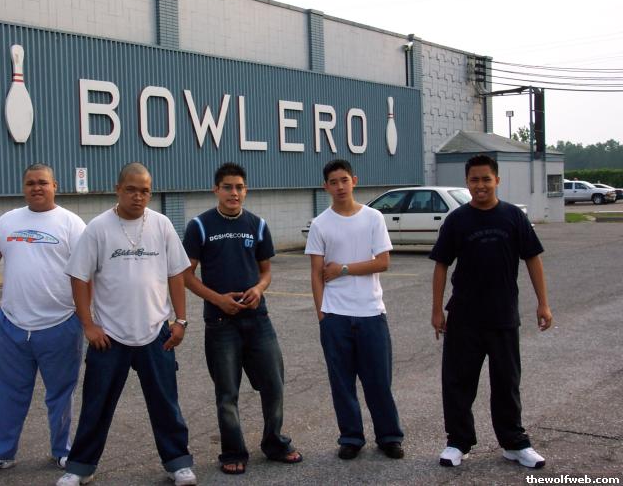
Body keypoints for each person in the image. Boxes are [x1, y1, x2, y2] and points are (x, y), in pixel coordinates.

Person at [57, 163, 196, 486]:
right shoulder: (98, 228)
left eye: (145, 191)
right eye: (131, 190)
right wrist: (88, 325)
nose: (138, 196)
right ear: (117, 189)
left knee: (165, 404)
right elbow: (79, 277)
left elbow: (177, 273)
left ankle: (177, 463)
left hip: (156, 332)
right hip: (109, 336)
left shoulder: (161, 224)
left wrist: (180, 320)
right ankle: (80, 467)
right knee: (96, 405)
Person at [430, 154, 553, 469]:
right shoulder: (457, 220)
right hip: (464, 317)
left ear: (497, 180)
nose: (480, 185)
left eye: (486, 179)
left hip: (503, 315)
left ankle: (514, 443)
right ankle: (458, 442)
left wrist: (543, 303)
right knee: (458, 383)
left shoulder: (513, 217)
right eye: (474, 179)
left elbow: (533, 258)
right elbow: (441, 265)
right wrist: (436, 310)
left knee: (506, 383)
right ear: (467, 182)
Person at [182, 162, 302, 475]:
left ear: (245, 190)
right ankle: (233, 452)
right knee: (227, 394)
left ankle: (274, 442)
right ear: (216, 190)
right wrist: (217, 300)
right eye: (227, 187)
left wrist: (259, 289)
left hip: (258, 320)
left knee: (274, 385)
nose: (233, 193)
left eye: (239, 187)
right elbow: (186, 275)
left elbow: (266, 272)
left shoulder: (257, 225)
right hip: (220, 324)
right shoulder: (199, 226)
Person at [0, 163, 86, 476]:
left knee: (61, 394)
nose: (37, 187)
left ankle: (63, 451)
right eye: (31, 183)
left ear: (55, 186)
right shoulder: (7, 221)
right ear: (24, 187)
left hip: (60, 325)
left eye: (43, 182)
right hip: (11, 327)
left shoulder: (72, 224)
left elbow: (87, 272)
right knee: (3, 393)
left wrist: (82, 316)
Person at [304, 159, 405, 461]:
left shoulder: (373, 218)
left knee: (378, 381)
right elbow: (316, 273)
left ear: (354, 181)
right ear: (325, 186)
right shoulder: (320, 224)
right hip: (335, 315)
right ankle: (351, 437)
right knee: (342, 383)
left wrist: (344, 269)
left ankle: (389, 437)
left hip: (371, 312)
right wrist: (322, 314)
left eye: (344, 180)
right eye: (333, 182)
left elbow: (383, 262)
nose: (340, 186)